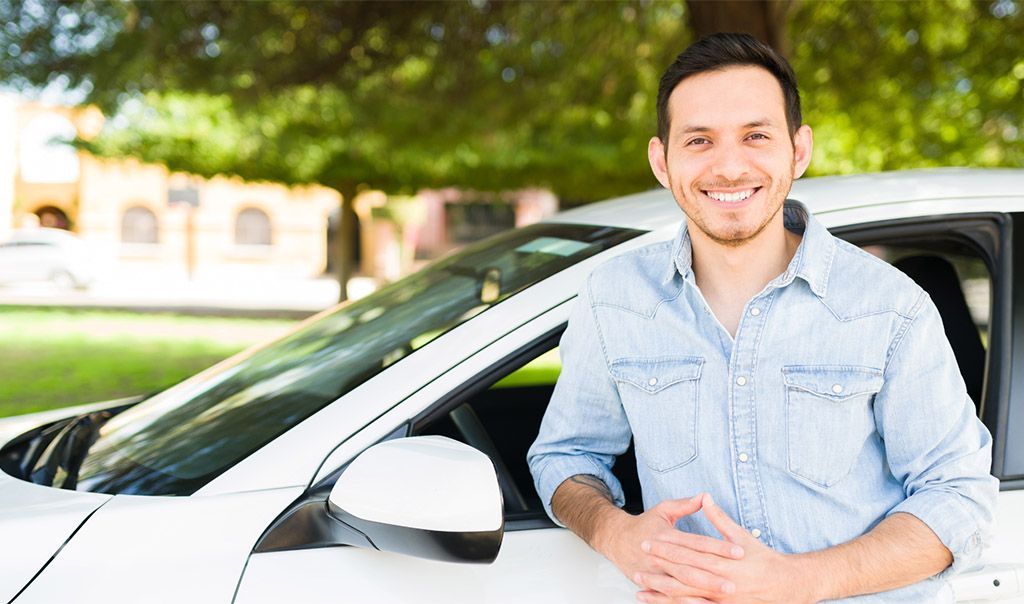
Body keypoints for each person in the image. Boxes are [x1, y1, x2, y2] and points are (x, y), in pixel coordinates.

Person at [526, 32, 997, 603]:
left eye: (756, 135)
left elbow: (957, 497)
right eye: (699, 140)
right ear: (661, 160)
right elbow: (566, 456)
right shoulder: (613, 299)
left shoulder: (891, 307)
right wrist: (615, 532)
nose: (728, 166)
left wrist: (795, 582)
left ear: (798, 150)